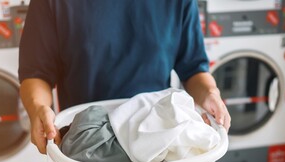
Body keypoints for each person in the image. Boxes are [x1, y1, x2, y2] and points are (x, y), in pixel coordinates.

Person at [19, 0, 231, 154]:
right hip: (87, 147)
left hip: (159, 139)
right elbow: (36, 72)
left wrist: (210, 94)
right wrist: (38, 108)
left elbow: (193, 68)